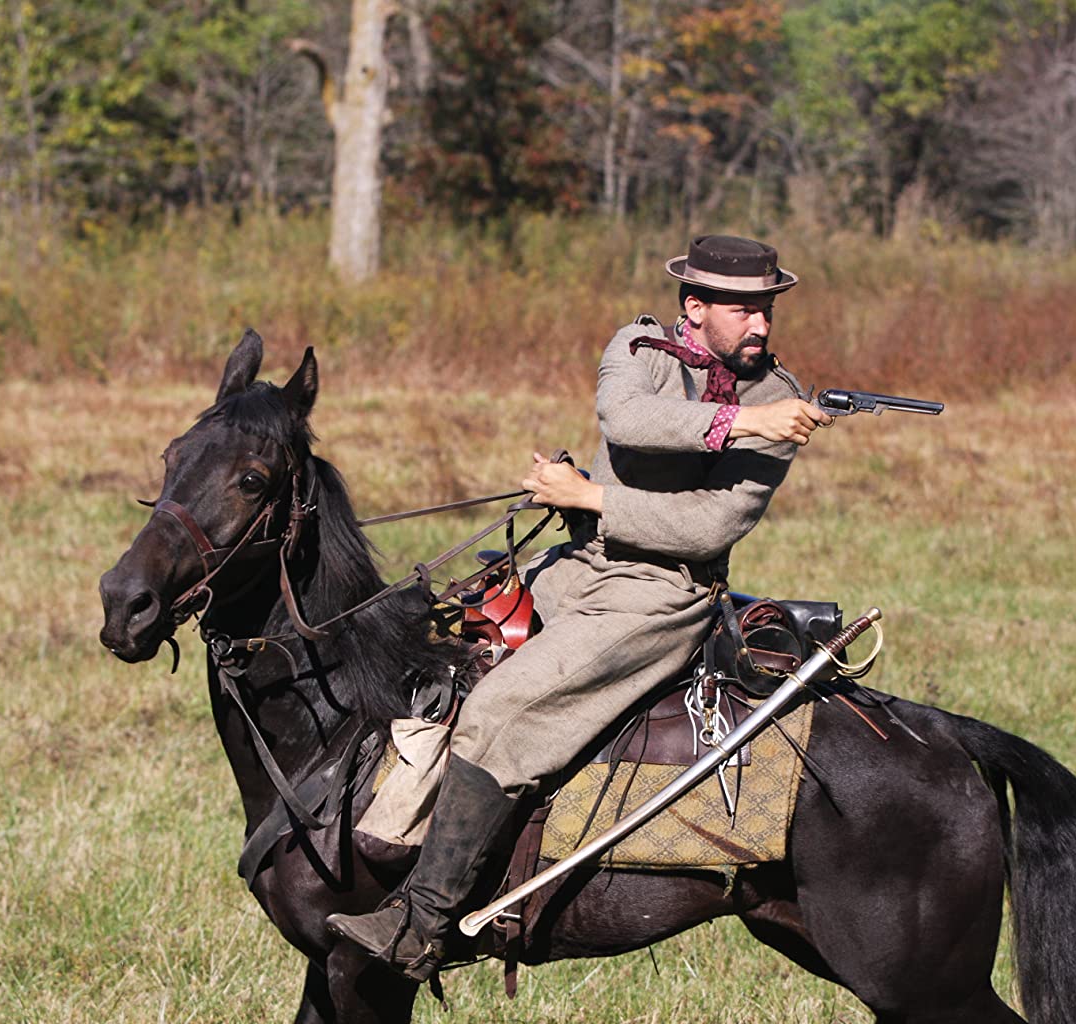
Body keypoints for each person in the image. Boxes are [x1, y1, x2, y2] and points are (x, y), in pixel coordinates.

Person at [326, 234, 833, 979]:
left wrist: (592, 495)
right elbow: (628, 420)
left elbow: (712, 526)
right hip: (579, 564)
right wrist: (732, 430)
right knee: (442, 639)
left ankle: (423, 922)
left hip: (661, 594)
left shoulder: (773, 398)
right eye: (744, 309)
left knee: (500, 708)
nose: (760, 325)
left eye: (768, 309)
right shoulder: (640, 347)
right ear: (694, 307)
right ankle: (384, 839)